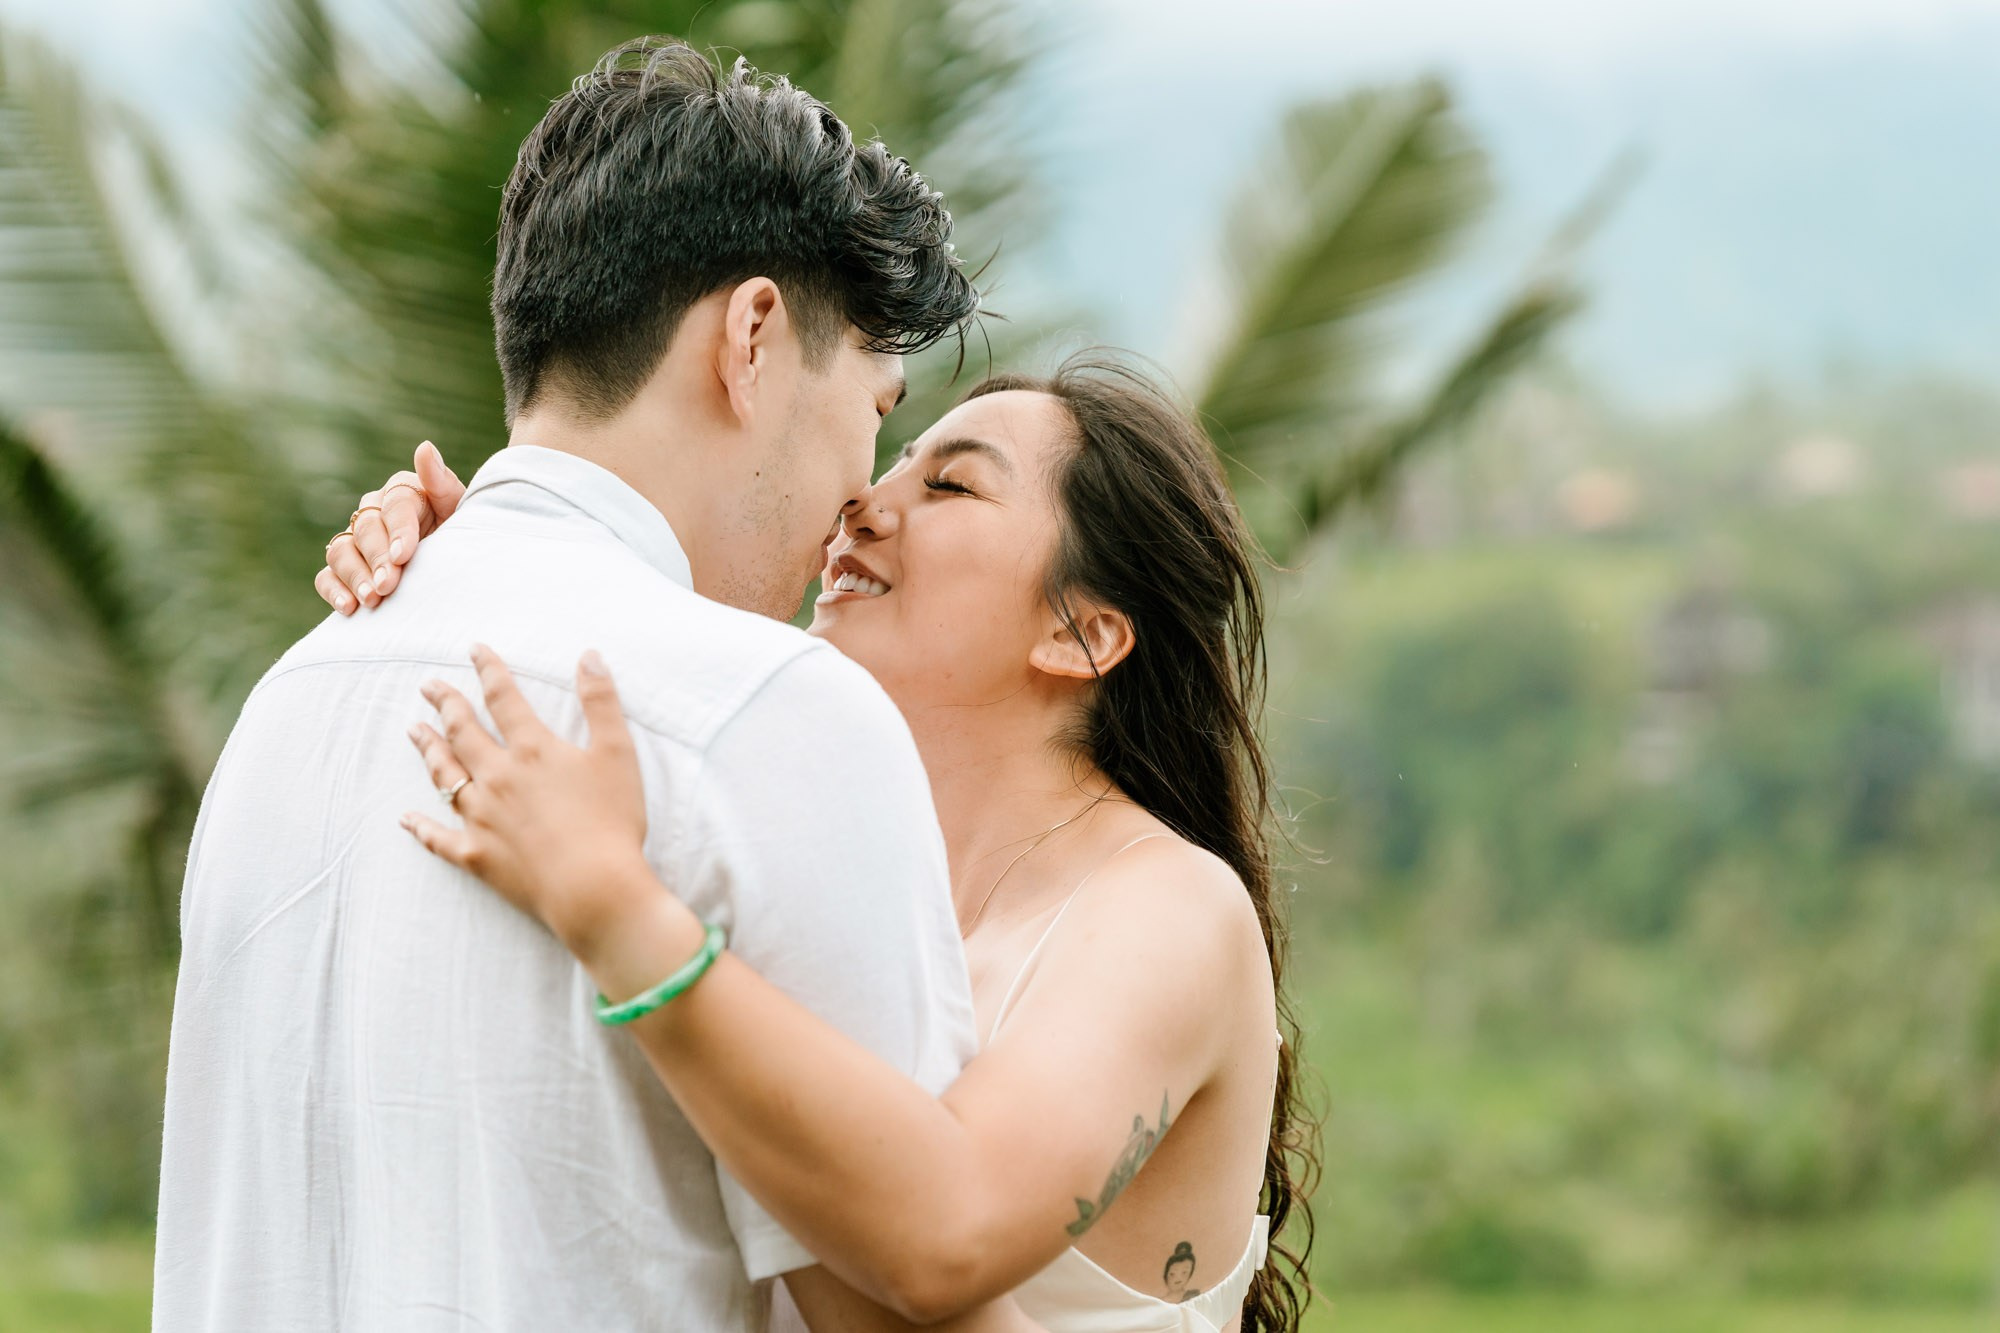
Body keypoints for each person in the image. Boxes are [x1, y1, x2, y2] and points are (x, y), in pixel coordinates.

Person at [153, 36, 1015, 1333]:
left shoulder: (289, 701)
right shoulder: (772, 714)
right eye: (878, 410)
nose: (861, 495)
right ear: (755, 338)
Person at [320, 358, 1317, 1332]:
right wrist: (484, 564)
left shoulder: (1168, 911)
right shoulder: (826, 863)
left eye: (949, 485)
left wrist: (616, 913)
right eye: (891, 462)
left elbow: (945, 1238)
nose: (864, 502)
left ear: (1081, 635)